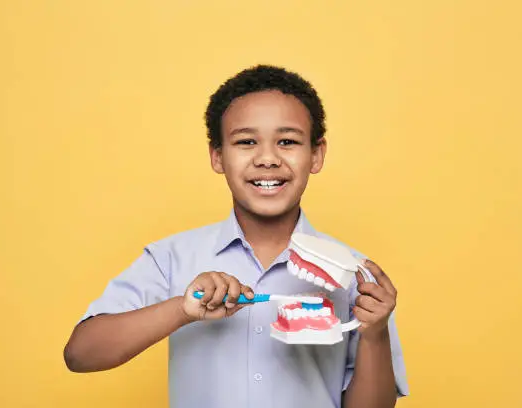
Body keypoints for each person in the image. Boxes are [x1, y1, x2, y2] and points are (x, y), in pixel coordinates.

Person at [63, 64, 409, 408]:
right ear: (218, 156)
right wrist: (181, 310)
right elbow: (81, 354)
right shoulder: (171, 259)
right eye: (246, 142)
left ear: (316, 155)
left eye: (287, 141)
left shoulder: (352, 275)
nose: (268, 158)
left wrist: (375, 334)